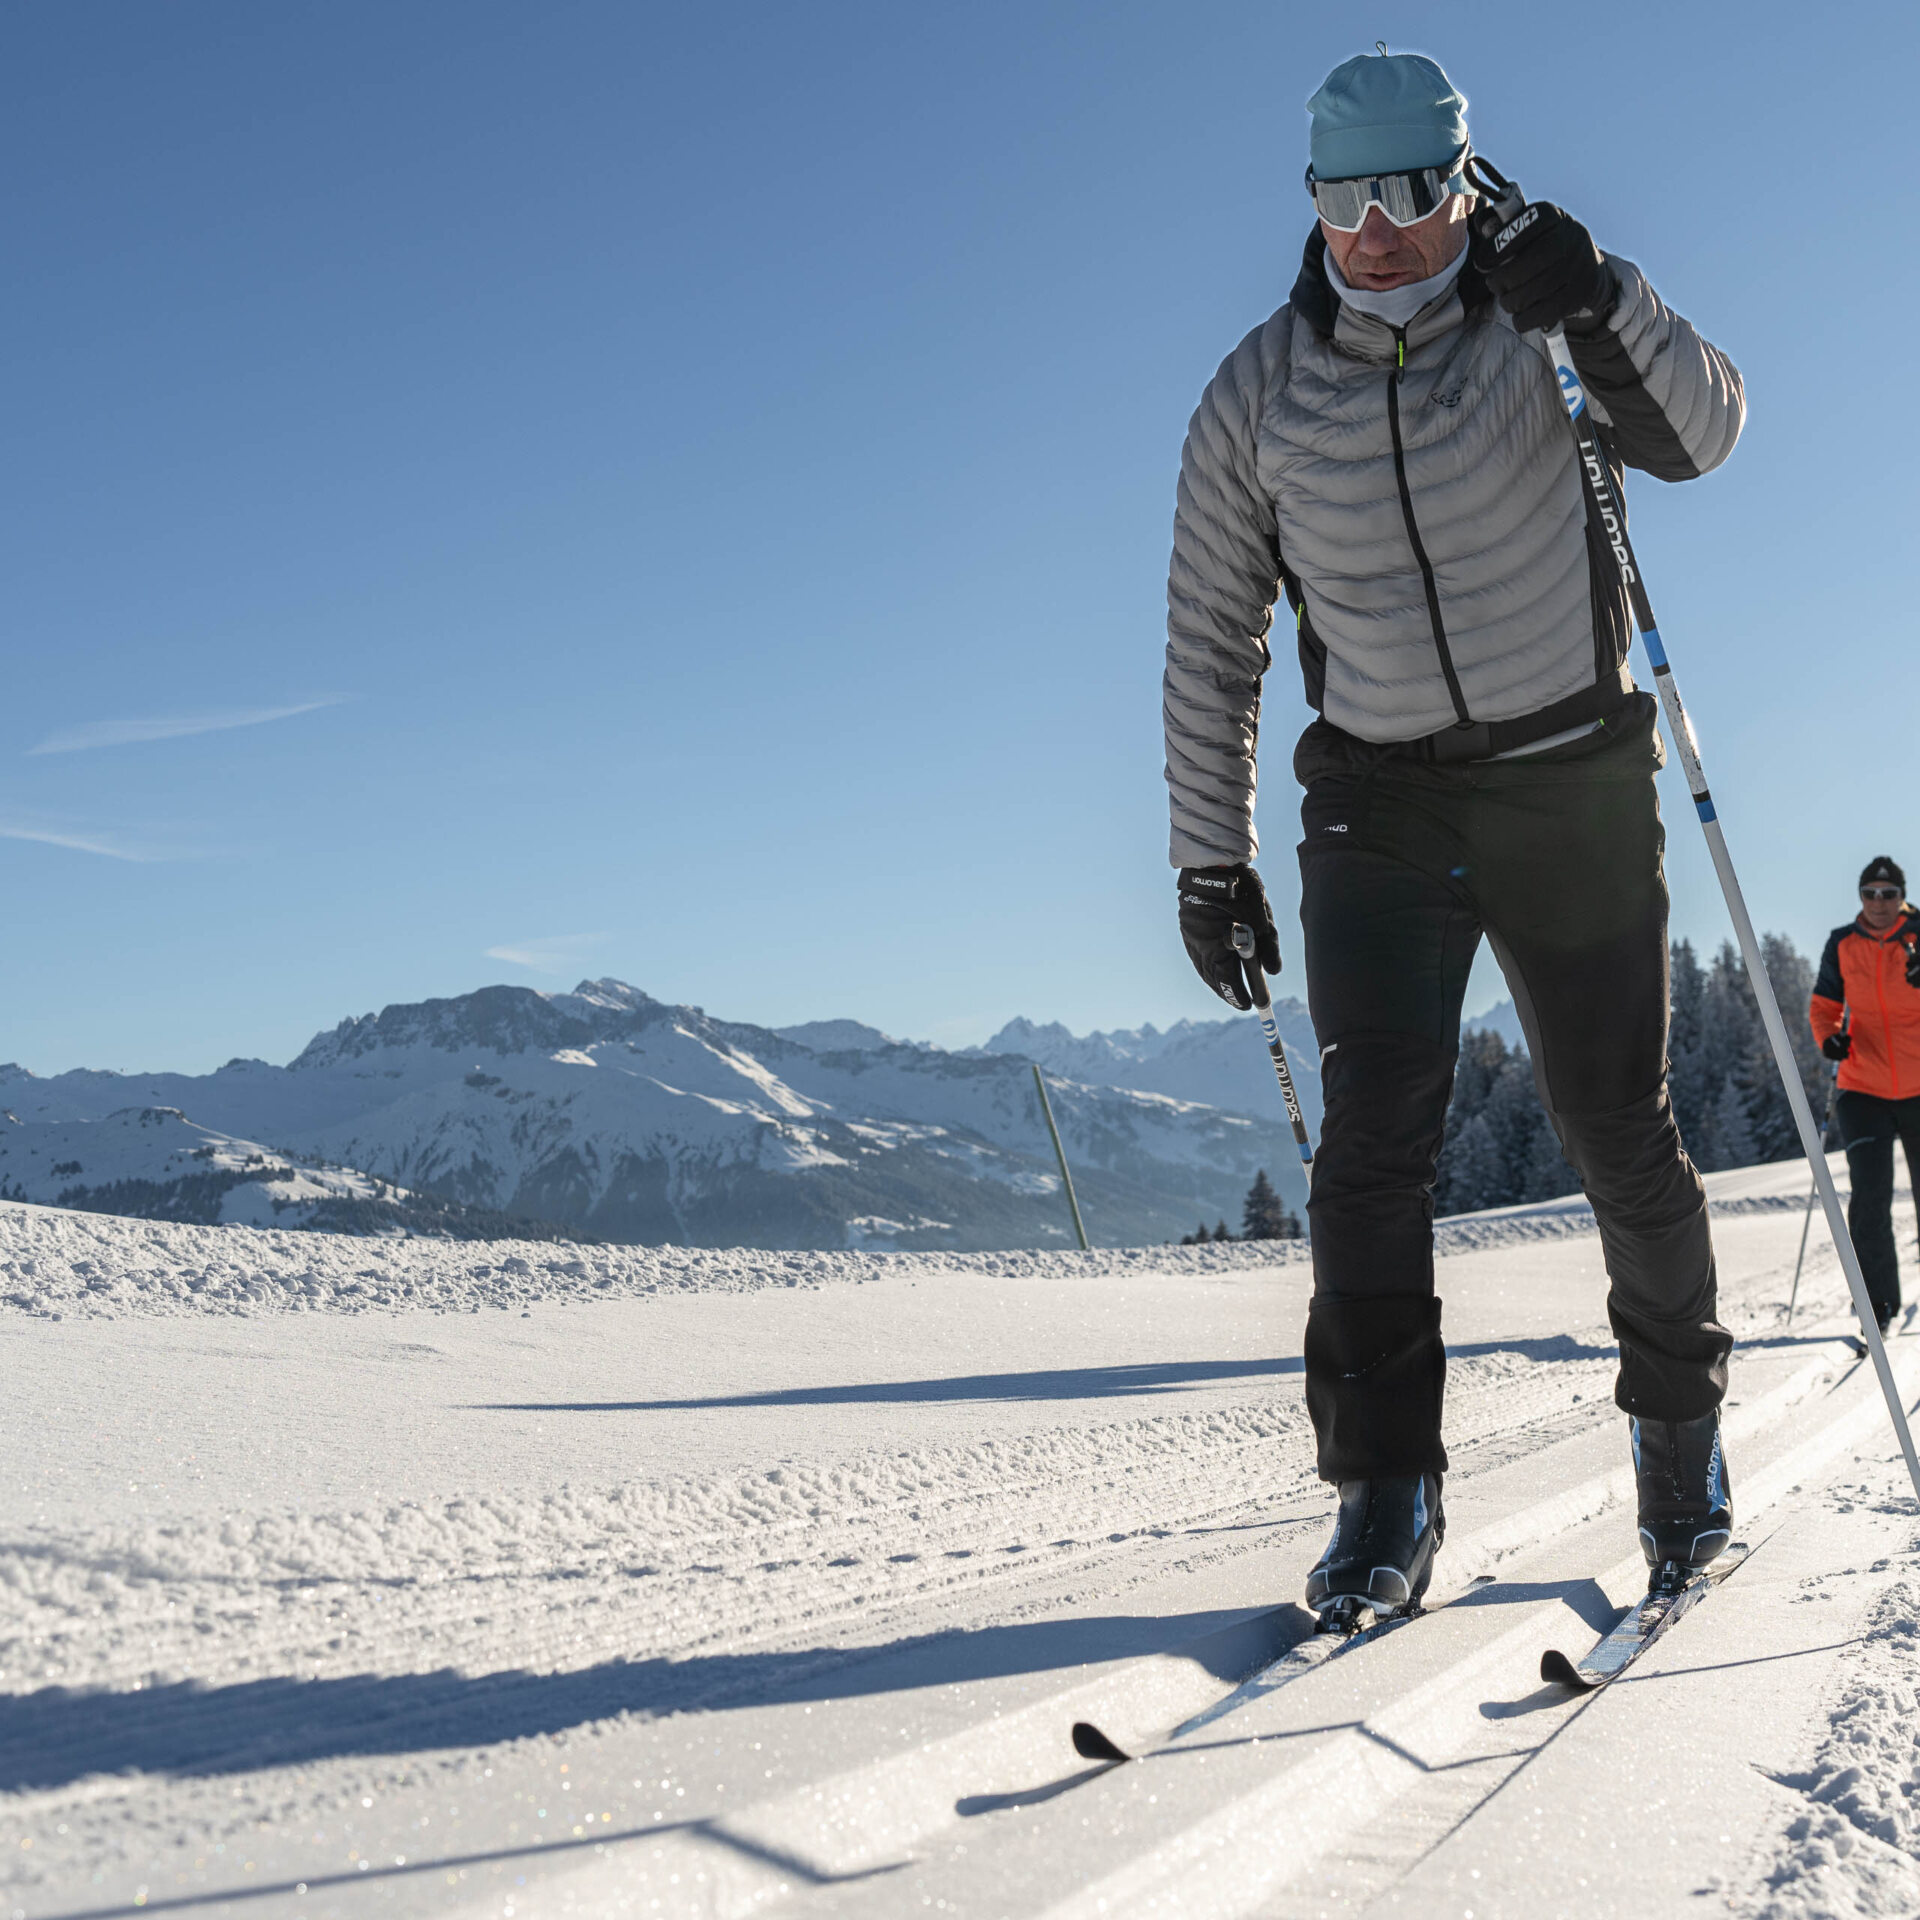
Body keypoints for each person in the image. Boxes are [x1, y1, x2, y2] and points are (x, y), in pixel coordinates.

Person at [1164, 49, 1745, 1618]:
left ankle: (1680, 1455)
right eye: (1344, 197)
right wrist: (1205, 859)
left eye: (1410, 190)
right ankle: (1384, 1496)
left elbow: (1700, 438)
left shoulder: (1545, 316)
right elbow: (1212, 636)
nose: (1380, 229)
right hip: (1379, 798)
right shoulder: (1258, 392)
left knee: (1617, 1125)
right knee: (1369, 1155)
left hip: (1567, 767)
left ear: (1462, 178)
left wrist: (1608, 294)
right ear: (1311, 204)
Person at [1809, 856, 1920, 1335]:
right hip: (1863, 1087)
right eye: (1870, 893)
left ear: (1902, 897)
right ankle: (1877, 1306)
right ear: (1860, 896)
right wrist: (1829, 1038)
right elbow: (1825, 1004)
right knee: (1869, 1199)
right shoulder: (1842, 943)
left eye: (1888, 894)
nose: (1879, 903)